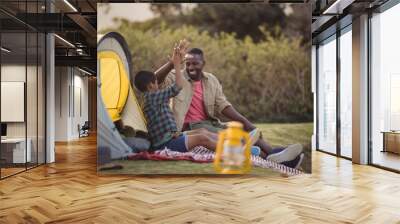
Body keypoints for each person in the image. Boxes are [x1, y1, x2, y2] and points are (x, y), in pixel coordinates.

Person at [154, 43, 304, 167]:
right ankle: (277, 157)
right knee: (239, 137)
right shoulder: (176, 77)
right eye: (188, 63)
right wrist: (172, 62)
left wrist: (246, 122)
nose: (191, 66)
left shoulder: (211, 80)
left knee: (247, 131)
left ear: (203, 64)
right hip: (191, 127)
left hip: (209, 123)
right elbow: (154, 80)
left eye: (195, 63)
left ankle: (276, 155)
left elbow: (223, 105)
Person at [134, 45, 219, 152]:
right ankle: (228, 152)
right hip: (165, 144)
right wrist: (176, 64)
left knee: (202, 131)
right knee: (201, 138)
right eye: (156, 83)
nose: (158, 85)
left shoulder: (151, 98)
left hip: (171, 137)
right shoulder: (152, 97)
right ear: (151, 85)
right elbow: (177, 86)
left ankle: (230, 144)